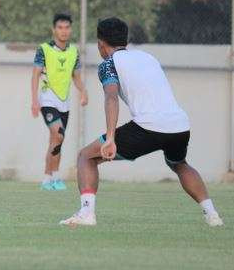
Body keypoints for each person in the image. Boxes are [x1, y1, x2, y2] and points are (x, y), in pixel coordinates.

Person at [60, 17, 224, 227]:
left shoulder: (108, 64)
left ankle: (86, 213)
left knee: (86, 156)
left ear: (101, 43)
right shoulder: (148, 57)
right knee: (179, 163)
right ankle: (212, 215)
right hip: (179, 125)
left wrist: (110, 138)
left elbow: (111, 97)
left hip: (148, 128)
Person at [30, 13, 87, 190]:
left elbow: (76, 77)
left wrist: (84, 91)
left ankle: (47, 179)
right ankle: (55, 176)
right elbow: (35, 75)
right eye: (60, 27)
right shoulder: (44, 49)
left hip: (65, 103)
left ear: (70, 29)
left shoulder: (73, 52)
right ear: (54, 29)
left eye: (67, 27)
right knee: (59, 134)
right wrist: (34, 100)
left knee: (56, 140)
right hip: (47, 99)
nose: (64, 31)